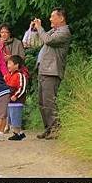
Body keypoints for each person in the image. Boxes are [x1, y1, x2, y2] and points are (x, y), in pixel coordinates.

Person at [33, 8, 71, 139]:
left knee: (49, 102)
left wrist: (40, 27)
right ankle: (49, 129)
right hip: (44, 70)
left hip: (52, 72)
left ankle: (56, 129)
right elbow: (40, 39)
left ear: (61, 18)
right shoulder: (54, 31)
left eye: (52, 16)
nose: (50, 19)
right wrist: (35, 28)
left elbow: (47, 40)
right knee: (42, 102)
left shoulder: (64, 32)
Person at [4, 55, 28, 140]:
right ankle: (19, 133)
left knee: (16, 117)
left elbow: (22, 87)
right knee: (11, 117)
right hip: (10, 101)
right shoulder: (8, 75)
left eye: (10, 63)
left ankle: (17, 133)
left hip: (17, 101)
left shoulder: (20, 75)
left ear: (16, 65)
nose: (8, 65)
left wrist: (16, 95)